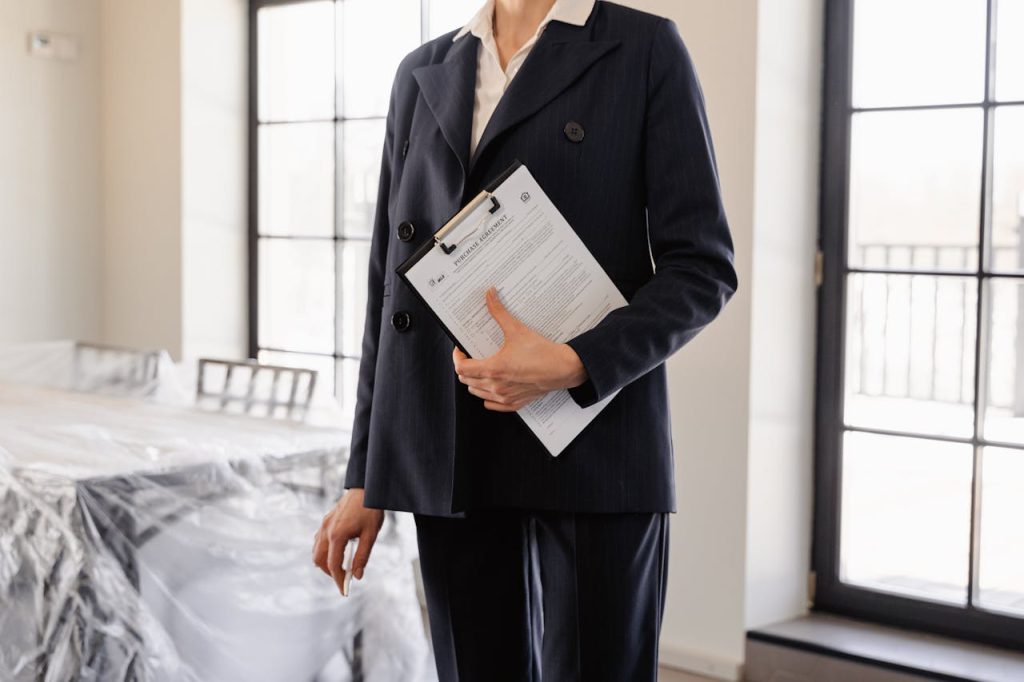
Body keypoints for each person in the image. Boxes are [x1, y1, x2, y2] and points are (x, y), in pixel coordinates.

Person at [313, 0, 737, 679]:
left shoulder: (643, 47)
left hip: (595, 439)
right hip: (448, 445)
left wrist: (576, 362)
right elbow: (389, 291)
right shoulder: (422, 70)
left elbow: (702, 268)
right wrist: (367, 474)